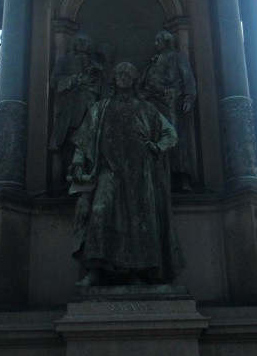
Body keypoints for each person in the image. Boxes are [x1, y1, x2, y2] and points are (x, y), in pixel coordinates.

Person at [68, 61, 184, 286]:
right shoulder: (101, 108)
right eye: (119, 73)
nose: (123, 76)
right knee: (100, 211)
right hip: (109, 171)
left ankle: (137, 272)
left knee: (139, 221)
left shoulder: (147, 109)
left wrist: (158, 147)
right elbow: (84, 140)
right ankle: (95, 270)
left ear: (134, 79)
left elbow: (170, 134)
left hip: (140, 175)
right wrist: (78, 163)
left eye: (128, 73)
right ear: (113, 78)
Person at [141, 30, 198, 192]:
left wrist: (188, 98)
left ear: (167, 41)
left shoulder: (177, 57)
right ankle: (160, 178)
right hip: (154, 103)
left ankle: (182, 179)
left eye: (158, 40)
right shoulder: (153, 61)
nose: (155, 44)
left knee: (175, 139)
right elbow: (145, 82)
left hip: (172, 102)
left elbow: (188, 79)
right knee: (155, 138)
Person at [49, 31, 104, 176]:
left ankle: (90, 174)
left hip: (91, 108)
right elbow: (54, 80)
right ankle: (69, 176)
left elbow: (103, 85)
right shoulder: (65, 61)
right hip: (71, 110)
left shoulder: (96, 65)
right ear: (74, 43)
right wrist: (74, 80)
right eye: (79, 40)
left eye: (85, 41)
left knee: (92, 141)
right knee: (70, 141)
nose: (82, 44)